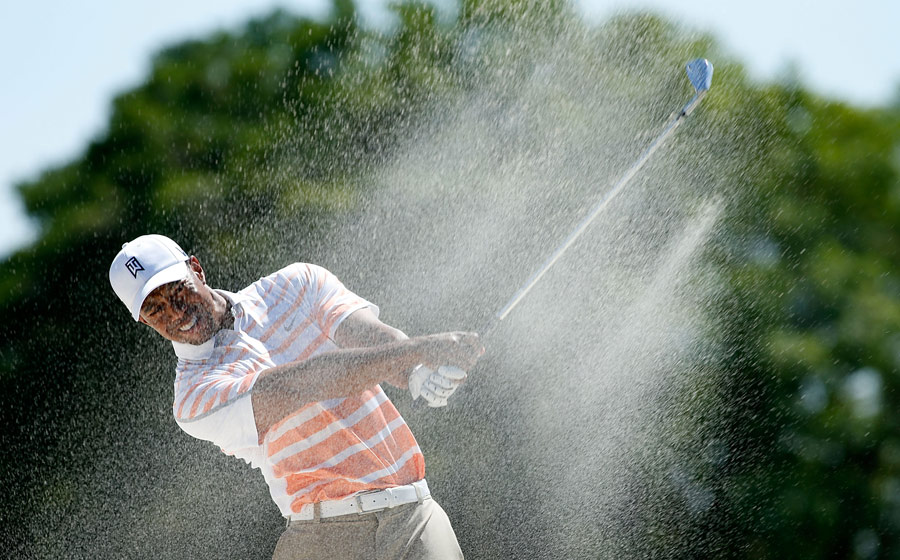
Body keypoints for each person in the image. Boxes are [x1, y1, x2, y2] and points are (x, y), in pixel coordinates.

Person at [109, 234, 484, 560]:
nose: (177, 313)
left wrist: (415, 372)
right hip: (322, 538)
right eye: (155, 309)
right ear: (143, 321)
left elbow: (367, 334)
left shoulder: (295, 283)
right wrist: (419, 351)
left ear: (197, 270)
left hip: (412, 516)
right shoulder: (194, 398)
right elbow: (308, 382)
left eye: (178, 290)